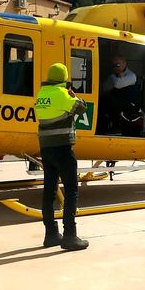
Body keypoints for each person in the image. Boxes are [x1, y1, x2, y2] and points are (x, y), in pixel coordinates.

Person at [35, 63, 89, 251]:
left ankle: (50, 234)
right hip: (63, 149)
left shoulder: (41, 94)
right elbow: (82, 108)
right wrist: (74, 96)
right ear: (65, 78)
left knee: (49, 190)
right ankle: (70, 235)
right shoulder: (63, 94)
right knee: (71, 190)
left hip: (46, 149)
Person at [101, 56, 139, 133]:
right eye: (113, 65)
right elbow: (104, 88)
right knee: (103, 99)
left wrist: (112, 78)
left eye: (117, 65)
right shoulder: (114, 75)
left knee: (109, 100)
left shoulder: (131, 75)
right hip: (119, 100)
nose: (115, 67)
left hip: (130, 103)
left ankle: (117, 128)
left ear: (125, 64)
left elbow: (118, 84)